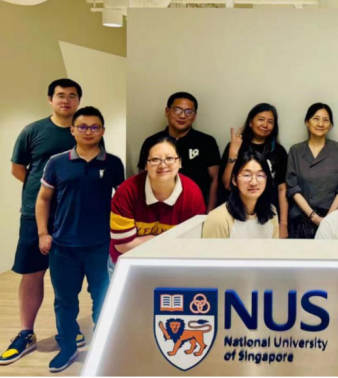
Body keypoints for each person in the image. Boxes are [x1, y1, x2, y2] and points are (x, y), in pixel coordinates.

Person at [35, 107, 125, 372]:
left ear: (103, 131)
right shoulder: (56, 162)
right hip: (63, 247)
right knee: (65, 302)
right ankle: (68, 347)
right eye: (83, 127)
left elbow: (123, 201)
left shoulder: (113, 163)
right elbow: (43, 199)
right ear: (72, 130)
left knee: (103, 299)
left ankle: (104, 345)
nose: (89, 132)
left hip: (101, 246)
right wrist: (43, 233)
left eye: (95, 127)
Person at [2, 79, 84, 367]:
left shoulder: (84, 131)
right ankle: (26, 333)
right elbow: (18, 169)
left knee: (68, 275)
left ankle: (68, 327)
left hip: (72, 216)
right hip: (34, 215)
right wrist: (46, 193)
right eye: (60, 95)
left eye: (72, 96)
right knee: (32, 273)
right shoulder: (33, 131)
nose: (66, 100)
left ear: (78, 101)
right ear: (50, 99)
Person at [110, 137, 205, 272]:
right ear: (145, 165)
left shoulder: (192, 194)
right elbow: (123, 245)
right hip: (129, 263)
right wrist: (166, 241)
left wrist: (147, 240)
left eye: (170, 158)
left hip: (172, 264)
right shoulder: (127, 192)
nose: (163, 165)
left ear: (180, 162)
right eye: (155, 159)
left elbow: (191, 243)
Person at [137, 92, 220, 212]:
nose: (182, 116)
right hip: (159, 209)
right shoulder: (152, 142)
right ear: (167, 111)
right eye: (177, 110)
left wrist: (209, 214)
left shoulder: (206, 142)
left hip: (195, 208)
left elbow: (214, 179)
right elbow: (143, 178)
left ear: (195, 116)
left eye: (189, 112)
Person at [218, 104, 288, 236]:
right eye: (260, 119)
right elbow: (227, 184)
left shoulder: (279, 151)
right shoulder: (235, 146)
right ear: (250, 122)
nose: (265, 125)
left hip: (267, 215)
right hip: (237, 213)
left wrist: (283, 223)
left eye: (270, 121)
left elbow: (282, 189)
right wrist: (233, 154)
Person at [286, 103, 338, 239]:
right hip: (302, 218)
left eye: (325, 120)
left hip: (333, 218)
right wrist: (313, 217)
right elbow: (293, 188)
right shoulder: (295, 151)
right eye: (316, 119)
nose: (320, 124)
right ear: (307, 122)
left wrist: (328, 219)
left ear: (330, 125)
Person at [203, 151, 279, 239]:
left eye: (260, 175)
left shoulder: (271, 211)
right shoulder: (218, 218)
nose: (254, 182)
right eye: (247, 175)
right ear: (234, 180)